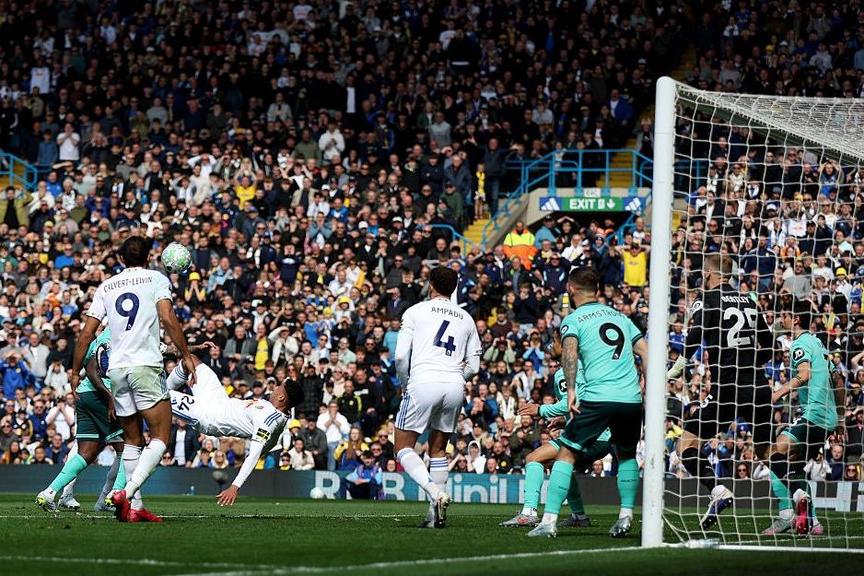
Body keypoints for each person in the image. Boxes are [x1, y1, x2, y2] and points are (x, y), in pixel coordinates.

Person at [71, 236, 198, 522]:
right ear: (149, 257)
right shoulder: (156, 279)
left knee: (132, 440)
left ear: (120, 259)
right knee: (161, 437)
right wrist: (186, 353)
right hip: (145, 366)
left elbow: (87, 333)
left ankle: (136, 508)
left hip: (117, 371)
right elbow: (167, 318)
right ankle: (126, 493)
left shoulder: (106, 286)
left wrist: (74, 371)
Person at [528, 267, 648, 538]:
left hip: (598, 397)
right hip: (630, 398)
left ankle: (548, 521)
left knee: (566, 454)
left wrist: (571, 389)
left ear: (571, 289)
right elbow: (645, 350)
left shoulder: (574, 319)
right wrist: (646, 385)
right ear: (596, 289)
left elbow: (569, 352)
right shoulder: (621, 317)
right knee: (626, 454)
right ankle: (625, 516)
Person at [671, 253, 774, 529]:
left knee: (686, 444)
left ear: (709, 274)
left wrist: (676, 368)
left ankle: (717, 490)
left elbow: (695, 335)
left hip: (727, 389)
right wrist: (751, 364)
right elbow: (769, 344)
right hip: (757, 387)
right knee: (767, 451)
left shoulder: (707, 298)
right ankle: (799, 496)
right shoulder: (749, 300)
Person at [394, 266, 481, 528]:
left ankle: (435, 493)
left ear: (430, 284)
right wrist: (456, 378)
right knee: (439, 449)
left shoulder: (415, 311)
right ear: (454, 288)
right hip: (454, 384)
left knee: (402, 447)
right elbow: (474, 366)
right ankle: (433, 516)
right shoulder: (466, 318)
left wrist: (405, 383)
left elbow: (400, 356)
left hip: (423, 380)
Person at [501, 334, 611, 528]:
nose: (551, 345)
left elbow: (571, 401)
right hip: (601, 435)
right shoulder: (586, 366)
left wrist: (540, 410)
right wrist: (563, 419)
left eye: (555, 341)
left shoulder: (565, 372)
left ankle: (529, 513)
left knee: (533, 458)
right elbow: (582, 403)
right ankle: (579, 516)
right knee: (562, 466)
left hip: (588, 436)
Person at [165, 355, 303, 505]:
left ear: (281, 398)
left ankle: (157, 396)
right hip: (218, 399)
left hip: (209, 416)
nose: (274, 388)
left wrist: (235, 486)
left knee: (160, 396)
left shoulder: (268, 420)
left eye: (278, 387)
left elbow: (255, 454)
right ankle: (164, 389)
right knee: (191, 360)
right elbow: (271, 442)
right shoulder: (278, 414)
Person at [762, 301, 841, 536]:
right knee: (793, 466)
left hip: (813, 415)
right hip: (829, 419)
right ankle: (813, 522)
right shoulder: (819, 344)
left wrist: (777, 393)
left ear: (795, 319)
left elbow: (804, 374)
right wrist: (841, 419)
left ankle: (786, 514)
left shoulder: (800, 343)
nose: (781, 320)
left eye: (784, 316)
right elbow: (838, 380)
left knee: (772, 452)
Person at [35, 327, 133, 515]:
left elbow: (87, 364)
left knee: (87, 453)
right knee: (128, 447)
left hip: (84, 394)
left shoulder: (100, 338)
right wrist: (110, 397)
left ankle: (49, 492)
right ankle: (114, 496)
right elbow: (94, 369)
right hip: (102, 396)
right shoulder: (126, 336)